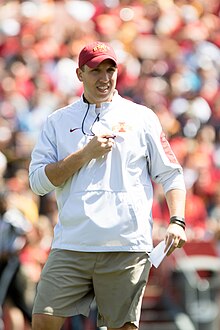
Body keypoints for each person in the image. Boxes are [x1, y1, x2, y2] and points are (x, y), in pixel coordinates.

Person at [29, 41, 187, 330]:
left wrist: (178, 221)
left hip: (126, 245)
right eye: (95, 70)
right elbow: (38, 183)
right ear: (79, 74)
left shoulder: (142, 117)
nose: (104, 78)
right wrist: (84, 155)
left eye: (110, 69)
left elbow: (172, 174)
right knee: (42, 321)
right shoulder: (57, 121)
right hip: (72, 244)